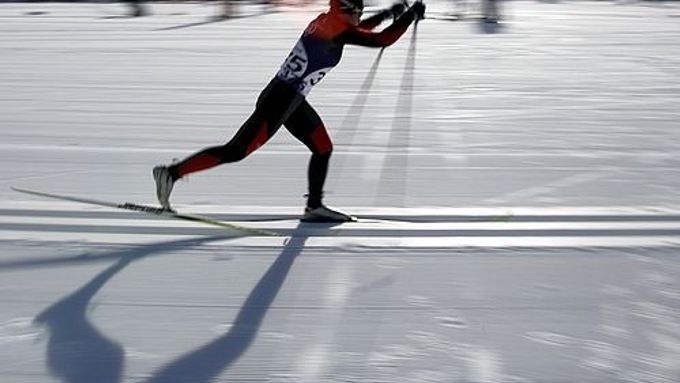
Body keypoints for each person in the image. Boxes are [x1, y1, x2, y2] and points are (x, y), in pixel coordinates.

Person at [153, 0, 426, 222]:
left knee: (323, 147)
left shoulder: (329, 20)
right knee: (235, 151)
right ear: (347, 10)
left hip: (290, 98)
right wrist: (409, 15)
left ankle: (314, 207)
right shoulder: (340, 27)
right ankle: (172, 173)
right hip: (280, 102)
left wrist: (390, 12)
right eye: (359, 11)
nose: (360, 17)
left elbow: (361, 30)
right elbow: (381, 40)